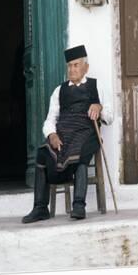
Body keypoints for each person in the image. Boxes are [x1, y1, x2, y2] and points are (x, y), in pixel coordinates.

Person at [22, 45, 113, 223]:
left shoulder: (96, 86)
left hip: (87, 133)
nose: (72, 69)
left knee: (81, 152)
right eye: (69, 65)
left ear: (85, 67)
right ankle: (40, 208)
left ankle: (78, 205)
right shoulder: (59, 90)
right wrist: (52, 135)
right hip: (63, 134)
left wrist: (99, 107)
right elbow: (50, 120)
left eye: (76, 65)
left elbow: (109, 117)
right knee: (42, 154)